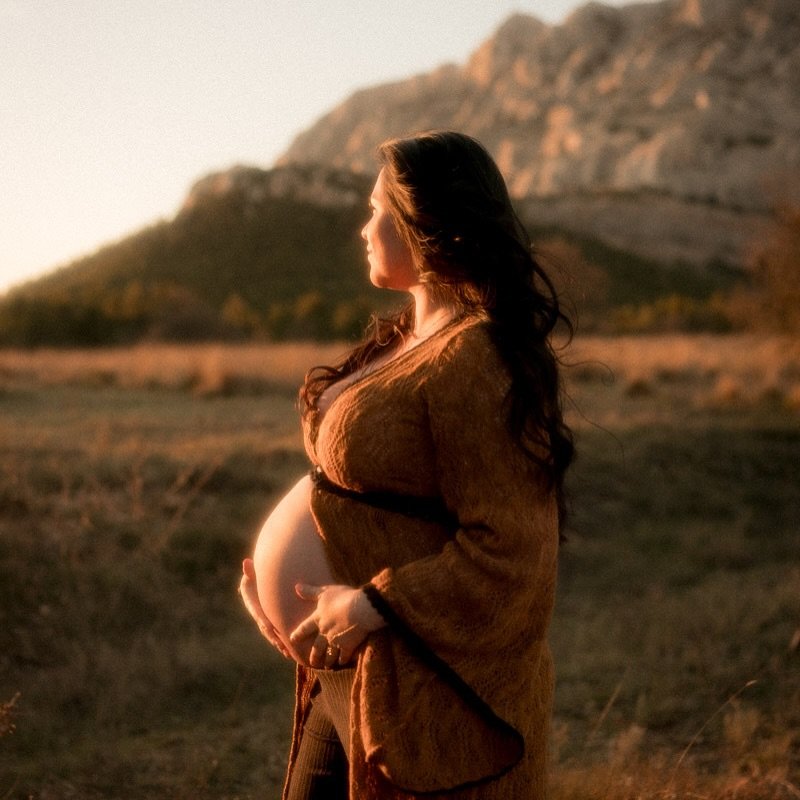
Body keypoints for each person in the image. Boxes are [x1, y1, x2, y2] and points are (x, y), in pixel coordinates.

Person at [239, 130, 574, 799]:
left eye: (376, 210)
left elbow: (514, 551)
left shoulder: (476, 357)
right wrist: (277, 596)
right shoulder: (405, 338)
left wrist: (370, 605)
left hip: (412, 679)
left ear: (424, 221)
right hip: (348, 667)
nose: (363, 228)